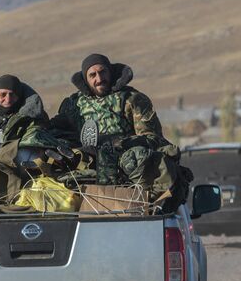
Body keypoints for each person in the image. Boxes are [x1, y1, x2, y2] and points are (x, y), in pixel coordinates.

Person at [52, 53, 180, 188]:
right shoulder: (74, 104)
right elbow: (56, 129)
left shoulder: (132, 99)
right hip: (85, 161)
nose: (99, 79)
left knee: (136, 157)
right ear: (85, 79)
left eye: (102, 72)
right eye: (92, 75)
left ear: (111, 72)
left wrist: (120, 144)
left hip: (125, 164)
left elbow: (154, 138)